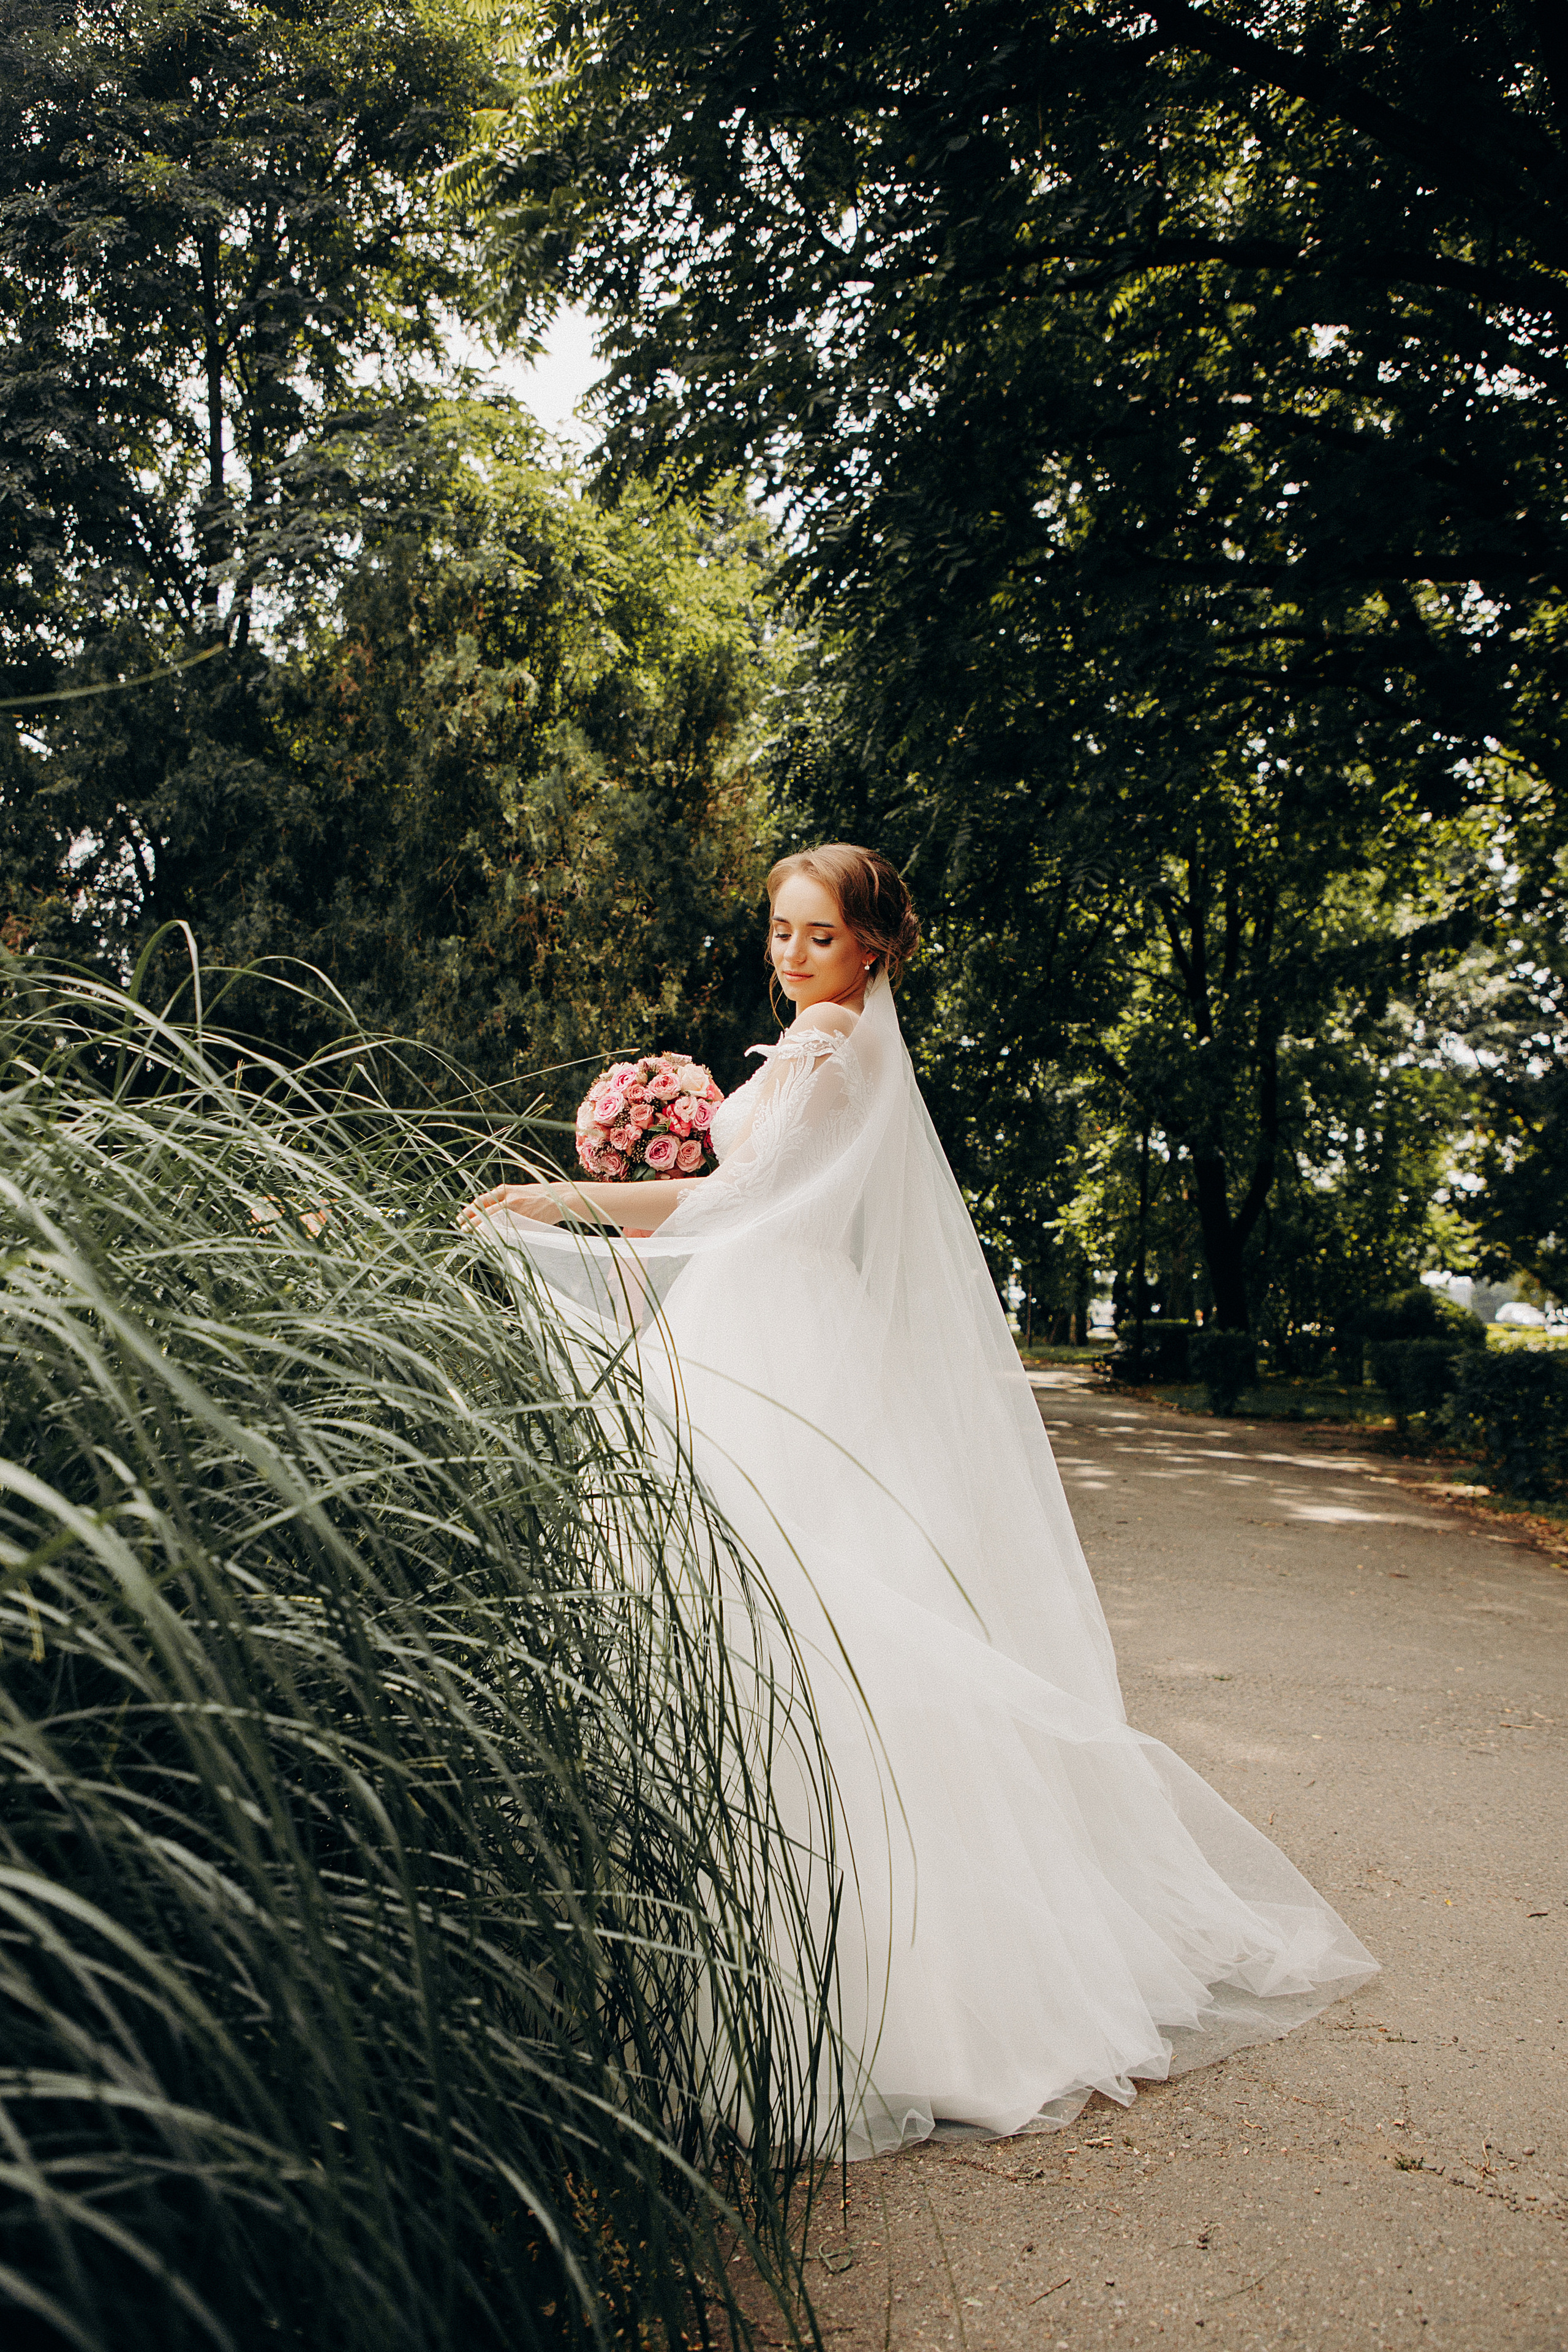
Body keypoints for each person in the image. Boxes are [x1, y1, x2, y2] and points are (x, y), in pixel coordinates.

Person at [466, 843, 1376, 2158]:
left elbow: (729, 1208)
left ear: (871, 949)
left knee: (789, 1615)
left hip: (769, 1346)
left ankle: (866, 1989)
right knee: (782, 1612)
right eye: (779, 932)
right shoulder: (827, 1053)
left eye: (818, 938)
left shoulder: (828, 1057)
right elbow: (740, 1210)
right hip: (768, 1327)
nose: (790, 959)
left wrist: (557, 1203)